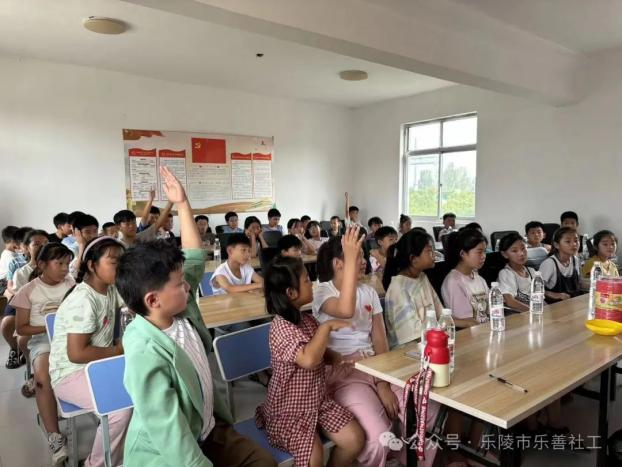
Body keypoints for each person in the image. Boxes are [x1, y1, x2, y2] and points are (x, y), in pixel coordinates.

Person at [117, 166, 276, 467]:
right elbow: (170, 435)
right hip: (170, 452)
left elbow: (192, 255)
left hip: (207, 429)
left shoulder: (178, 307)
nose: (190, 286)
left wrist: (182, 203)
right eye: (181, 284)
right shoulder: (144, 350)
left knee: (263, 462)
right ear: (153, 300)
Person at [314, 229, 437, 466]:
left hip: (375, 364)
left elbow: (380, 340)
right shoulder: (323, 291)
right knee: (380, 436)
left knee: (427, 411)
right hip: (344, 370)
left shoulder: (369, 292)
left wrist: (383, 382)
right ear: (338, 264)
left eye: (362, 256)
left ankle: (413, 460)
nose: (364, 261)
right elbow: (345, 310)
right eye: (357, 257)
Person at [256, 254, 364, 467]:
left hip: (318, 402)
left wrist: (336, 358)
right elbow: (308, 359)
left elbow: (319, 352)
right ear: (291, 292)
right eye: (307, 280)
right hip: (289, 411)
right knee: (313, 458)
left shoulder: (307, 320)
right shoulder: (280, 327)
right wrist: (327, 327)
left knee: (354, 439)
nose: (312, 283)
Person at [50, 236, 130, 467]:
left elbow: (132, 304)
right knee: (120, 410)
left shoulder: (109, 289)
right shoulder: (83, 299)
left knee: (146, 386)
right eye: (114, 261)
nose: (120, 267)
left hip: (97, 367)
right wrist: (119, 350)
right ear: (92, 265)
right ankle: (95, 464)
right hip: (70, 374)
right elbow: (76, 354)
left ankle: (126, 454)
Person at [12, 243, 75, 464]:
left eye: (67, 264)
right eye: (60, 263)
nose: (65, 269)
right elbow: (21, 328)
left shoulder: (72, 285)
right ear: (42, 264)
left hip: (71, 336)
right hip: (44, 340)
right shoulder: (28, 291)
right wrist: (50, 326)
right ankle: (55, 437)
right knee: (42, 378)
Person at [382, 229, 442, 348]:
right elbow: (414, 337)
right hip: (409, 351)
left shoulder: (422, 277)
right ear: (414, 259)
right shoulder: (399, 288)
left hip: (430, 342)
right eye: (429, 251)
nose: (434, 255)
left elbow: (442, 315)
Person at [2, 230, 49, 372]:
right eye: (37, 244)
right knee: (23, 339)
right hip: (32, 314)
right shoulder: (21, 272)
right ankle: (32, 368)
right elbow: (21, 299)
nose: (42, 247)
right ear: (27, 248)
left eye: (46, 243)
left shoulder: (57, 267)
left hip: (52, 313)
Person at [441, 229, 489, 327]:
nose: (484, 256)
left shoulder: (479, 279)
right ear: (462, 253)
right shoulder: (454, 282)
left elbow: (490, 310)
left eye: (484, 251)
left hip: (484, 328)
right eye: (479, 252)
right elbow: (466, 321)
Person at [539, 227, 581, 302]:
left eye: (576, 240)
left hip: (573, 303)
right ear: (556, 245)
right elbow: (536, 289)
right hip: (554, 306)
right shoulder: (549, 263)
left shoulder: (575, 260)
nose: (574, 244)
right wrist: (555, 295)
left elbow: (579, 283)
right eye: (568, 241)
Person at [497, 233, 536, 313]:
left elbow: (540, 296)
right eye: (514, 251)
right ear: (504, 254)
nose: (521, 253)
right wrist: (534, 311)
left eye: (523, 249)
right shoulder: (506, 273)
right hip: (517, 315)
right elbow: (510, 302)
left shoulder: (532, 271)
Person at [0, 225, 19, 295]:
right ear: (13, 241)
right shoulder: (9, 256)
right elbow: (14, 274)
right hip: (3, 283)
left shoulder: (12, 253)